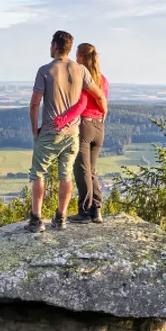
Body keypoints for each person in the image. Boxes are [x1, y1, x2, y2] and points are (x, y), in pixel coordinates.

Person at [26, 30, 108, 233]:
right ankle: (61, 217)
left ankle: (36, 220)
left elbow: (35, 103)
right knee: (66, 175)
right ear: (70, 48)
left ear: (54, 46)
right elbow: (97, 95)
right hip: (72, 133)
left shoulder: (45, 70)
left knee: (38, 174)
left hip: (50, 131)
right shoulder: (80, 70)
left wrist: (34, 130)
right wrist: (104, 113)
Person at [53, 42, 108, 223]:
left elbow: (81, 105)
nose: (75, 59)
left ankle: (84, 212)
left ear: (83, 58)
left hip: (84, 126)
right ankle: (97, 210)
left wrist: (62, 120)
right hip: (99, 127)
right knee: (91, 170)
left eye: (77, 56)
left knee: (81, 171)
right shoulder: (103, 80)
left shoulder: (84, 79)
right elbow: (102, 101)